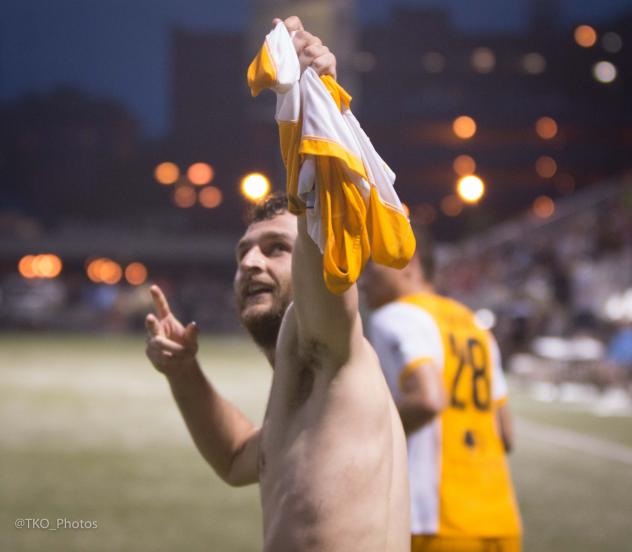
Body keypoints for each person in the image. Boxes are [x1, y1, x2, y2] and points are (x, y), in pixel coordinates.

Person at [144, 18, 410, 552]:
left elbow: (322, 235)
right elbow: (240, 456)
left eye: (276, 248)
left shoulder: (327, 340)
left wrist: (315, 107)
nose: (250, 263)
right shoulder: (306, 385)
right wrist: (183, 373)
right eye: (243, 251)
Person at [363, 229, 522, 552]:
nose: (362, 280)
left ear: (408, 261)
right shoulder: (472, 323)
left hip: (438, 520)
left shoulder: (395, 316)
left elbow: (427, 398)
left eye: (369, 265)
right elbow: (506, 434)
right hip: (500, 518)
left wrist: (363, 435)